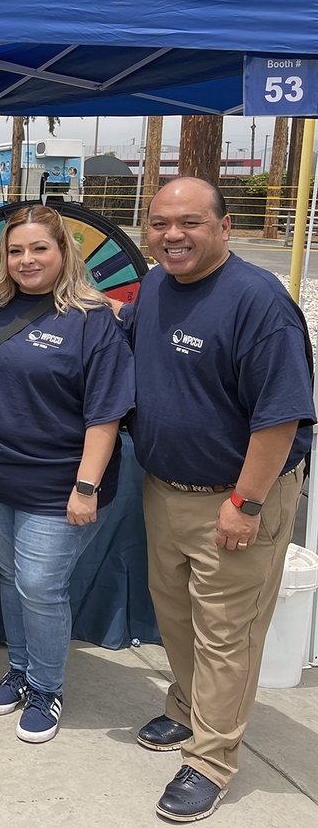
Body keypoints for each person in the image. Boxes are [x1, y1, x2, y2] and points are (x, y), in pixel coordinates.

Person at [125, 178, 312, 822]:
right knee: (176, 616)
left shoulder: (259, 302)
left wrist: (248, 502)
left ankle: (211, 759)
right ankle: (186, 708)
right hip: (166, 487)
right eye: (160, 223)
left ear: (225, 227)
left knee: (228, 632)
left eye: (190, 223)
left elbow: (280, 417)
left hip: (236, 498)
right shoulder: (153, 287)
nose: (172, 235)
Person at [0, 204, 133, 745]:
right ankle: (19, 670)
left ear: (65, 253)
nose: (26, 259)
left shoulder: (93, 319)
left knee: (40, 585)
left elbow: (106, 413)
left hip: (62, 484)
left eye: (40, 248)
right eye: (15, 250)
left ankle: (46, 686)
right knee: (13, 578)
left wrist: (86, 486)